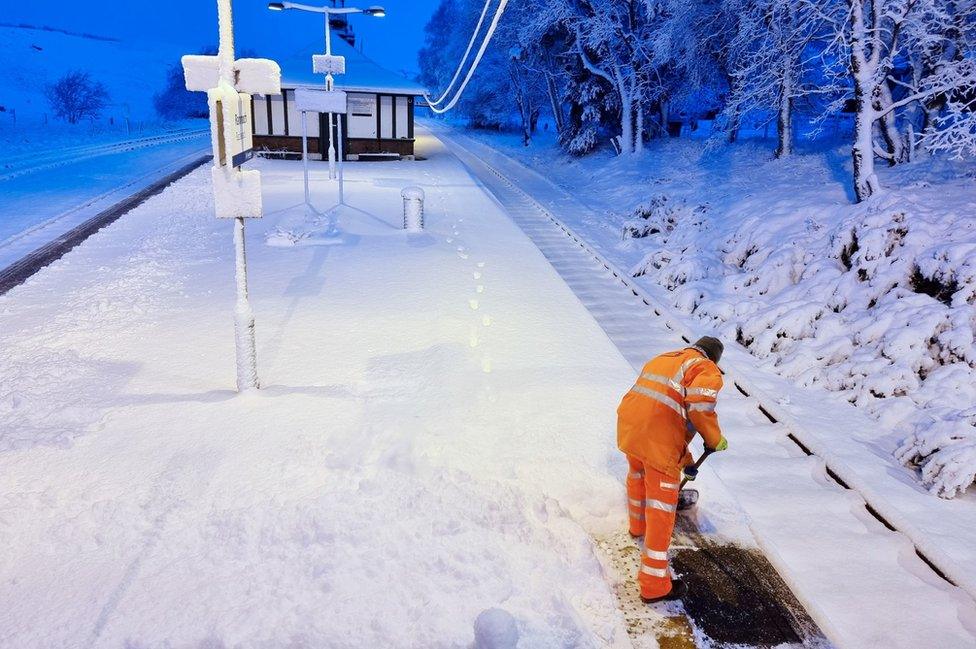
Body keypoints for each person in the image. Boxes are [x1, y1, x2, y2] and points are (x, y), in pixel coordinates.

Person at [616, 336, 728, 603]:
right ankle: (655, 586)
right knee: (662, 510)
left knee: (637, 477)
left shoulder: (666, 359)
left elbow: (666, 413)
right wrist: (713, 439)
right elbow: (700, 407)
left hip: (632, 428)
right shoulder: (704, 368)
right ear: (713, 358)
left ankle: (637, 527)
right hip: (658, 440)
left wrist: (686, 462)